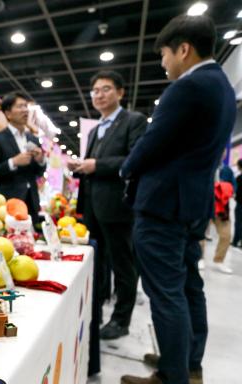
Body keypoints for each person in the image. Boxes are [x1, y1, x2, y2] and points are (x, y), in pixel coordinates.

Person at [119, 14, 236, 384]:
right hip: (190, 204)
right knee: (188, 286)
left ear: (184, 49)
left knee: (166, 291)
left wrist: (126, 167)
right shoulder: (220, 85)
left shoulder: (188, 87)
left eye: (166, 55)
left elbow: (153, 142)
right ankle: (187, 364)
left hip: (164, 204)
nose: (164, 64)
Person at [66, 70, 146, 340]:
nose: (99, 95)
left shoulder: (132, 121)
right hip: (92, 207)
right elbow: (92, 166)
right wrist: (78, 166)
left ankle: (121, 320)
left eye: (106, 89)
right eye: (95, 91)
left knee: (123, 264)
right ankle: (95, 309)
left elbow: (136, 159)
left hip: (117, 207)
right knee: (97, 261)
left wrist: (96, 165)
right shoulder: (96, 129)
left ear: (120, 92)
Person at [0, 93, 47, 226]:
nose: (25, 110)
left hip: (32, 201)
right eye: (20, 106)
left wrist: (40, 160)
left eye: (26, 106)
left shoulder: (33, 139)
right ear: (8, 113)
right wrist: (13, 162)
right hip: (8, 204)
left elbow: (39, 172)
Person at [232, 159, 242, 248]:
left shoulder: (239, 178)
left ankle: (235, 241)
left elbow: (237, 192)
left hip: (240, 203)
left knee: (238, 222)